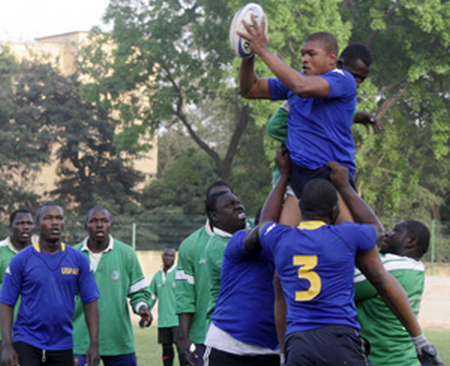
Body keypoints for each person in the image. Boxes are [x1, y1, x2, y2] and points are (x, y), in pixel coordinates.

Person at [243, 148, 442, 366]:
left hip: (299, 341)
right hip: (339, 338)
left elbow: (265, 223)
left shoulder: (281, 240)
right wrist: (345, 186)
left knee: (279, 284)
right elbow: (376, 229)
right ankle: (420, 341)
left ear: (300, 207)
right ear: (334, 211)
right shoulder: (345, 236)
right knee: (378, 273)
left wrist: (283, 177)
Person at [239, 24, 360, 222]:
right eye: (303, 54)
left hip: (332, 177)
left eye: (311, 54)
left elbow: (301, 87)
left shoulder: (343, 79)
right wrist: (248, 53)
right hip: (299, 178)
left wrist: (262, 49)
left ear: (331, 58)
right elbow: (249, 89)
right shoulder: (296, 81)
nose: (304, 59)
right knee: (285, 245)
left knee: (350, 244)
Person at [266, 43, 384, 227]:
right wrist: (301, 141)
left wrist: (357, 117)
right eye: (354, 75)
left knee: (351, 239)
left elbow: (329, 120)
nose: (356, 82)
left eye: (362, 79)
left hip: (331, 176)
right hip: (298, 174)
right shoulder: (303, 90)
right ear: (337, 64)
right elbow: (274, 126)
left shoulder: (342, 93)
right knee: (283, 236)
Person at [0, 202, 100, 366]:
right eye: (48, 218)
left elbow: (90, 302)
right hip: (27, 341)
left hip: (63, 343)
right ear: (38, 225)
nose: (55, 223)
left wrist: (94, 345)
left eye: (59, 218)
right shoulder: (21, 260)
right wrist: (7, 345)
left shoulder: (78, 259)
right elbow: (6, 303)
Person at [355, 220, 443, 366]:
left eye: (396, 231)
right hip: (403, 359)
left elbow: (337, 287)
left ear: (411, 241)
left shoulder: (390, 267)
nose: (388, 234)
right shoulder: (414, 268)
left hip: (385, 360)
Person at [72, 206, 152, 366]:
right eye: (94, 221)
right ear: (85, 226)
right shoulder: (72, 255)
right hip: (80, 341)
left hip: (118, 341)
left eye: (104, 221)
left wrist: (142, 308)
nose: (99, 225)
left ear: (111, 226)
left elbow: (139, 293)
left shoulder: (126, 253)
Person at [203, 209, 279, 366]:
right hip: (229, 347)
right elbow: (258, 236)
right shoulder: (238, 241)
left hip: (272, 351)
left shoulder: (291, 253)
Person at [175, 181, 232, 366]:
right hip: (203, 336)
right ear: (210, 210)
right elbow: (184, 296)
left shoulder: (249, 236)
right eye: (218, 199)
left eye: (230, 199)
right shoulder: (190, 245)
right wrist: (184, 339)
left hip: (242, 333)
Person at [204, 189, 247, 323]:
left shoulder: (247, 231)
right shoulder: (217, 246)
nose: (238, 207)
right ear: (215, 216)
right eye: (230, 205)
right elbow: (247, 274)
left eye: (238, 203)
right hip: (226, 322)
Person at [0, 209, 34, 353]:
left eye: (29, 223)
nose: (25, 227)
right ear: (10, 227)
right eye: (20, 223)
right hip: (3, 332)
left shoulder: (41, 253)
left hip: (32, 333)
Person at [149, 247, 185, 366]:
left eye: (171, 256)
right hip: (163, 321)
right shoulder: (157, 276)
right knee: (166, 350)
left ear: (175, 258)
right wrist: (146, 311)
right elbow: (152, 296)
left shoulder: (179, 274)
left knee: (181, 350)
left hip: (177, 320)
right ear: (162, 256)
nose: (168, 258)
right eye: (166, 255)